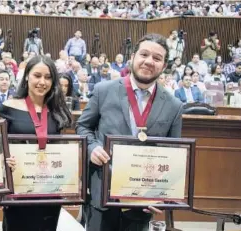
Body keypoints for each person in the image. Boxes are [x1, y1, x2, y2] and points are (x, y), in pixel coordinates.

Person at [76, 33, 183, 231]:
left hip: (142, 199)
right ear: (132, 57)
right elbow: (83, 127)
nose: (149, 61)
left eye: (157, 58)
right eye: (144, 54)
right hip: (102, 195)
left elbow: (174, 155)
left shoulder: (174, 106)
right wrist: (93, 147)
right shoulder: (103, 90)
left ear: (164, 65)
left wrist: (161, 194)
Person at [0, 55, 72, 231]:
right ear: (27, 76)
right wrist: (3, 159)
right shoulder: (9, 107)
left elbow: (64, 149)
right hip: (18, 190)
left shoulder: (58, 110)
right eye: (37, 75)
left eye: (48, 77)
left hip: (49, 190)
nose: (42, 82)